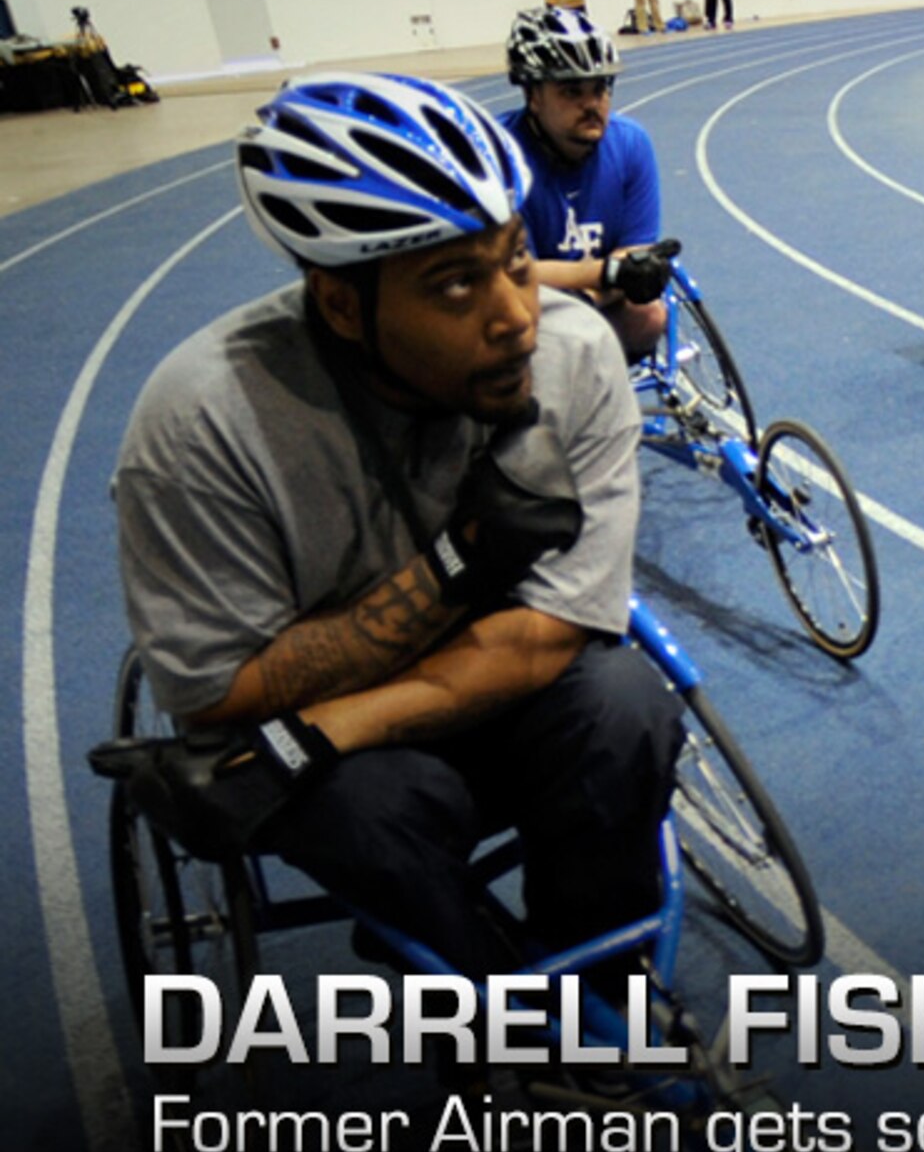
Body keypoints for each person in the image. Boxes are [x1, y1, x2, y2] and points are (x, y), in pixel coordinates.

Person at [109, 72, 683, 981]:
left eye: (517, 259)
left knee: (627, 709)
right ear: (343, 304)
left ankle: (597, 998)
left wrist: (329, 725)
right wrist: (459, 565)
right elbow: (219, 693)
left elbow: (549, 636)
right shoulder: (201, 426)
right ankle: (484, 1033)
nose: (517, 318)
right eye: (457, 285)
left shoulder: (577, 355)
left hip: (393, 710)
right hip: (358, 766)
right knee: (384, 811)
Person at [499, 7, 669, 361]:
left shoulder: (632, 144)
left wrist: (593, 294)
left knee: (650, 315)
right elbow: (514, 274)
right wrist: (605, 274)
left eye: (600, 88)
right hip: (529, 303)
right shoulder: (501, 158)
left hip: (599, 294)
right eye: (571, 91)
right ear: (534, 96)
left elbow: (635, 254)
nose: (592, 104)